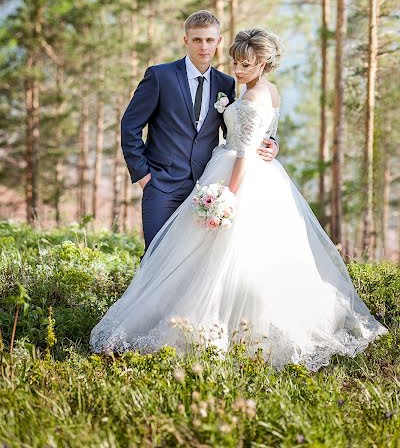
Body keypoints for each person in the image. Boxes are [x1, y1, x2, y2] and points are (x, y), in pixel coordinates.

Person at [90, 27, 388, 371]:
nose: (237, 69)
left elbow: (248, 146)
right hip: (225, 173)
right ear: (186, 39)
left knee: (226, 261)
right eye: (235, 61)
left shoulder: (249, 94)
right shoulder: (256, 89)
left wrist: (226, 196)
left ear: (262, 63)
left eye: (245, 64)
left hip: (235, 177)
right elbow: (263, 130)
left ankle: (223, 329)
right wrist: (271, 143)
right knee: (200, 257)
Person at [120, 10, 279, 253]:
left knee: (193, 264)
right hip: (162, 185)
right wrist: (144, 176)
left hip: (205, 188)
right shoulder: (160, 76)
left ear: (219, 41)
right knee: (156, 257)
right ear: (186, 40)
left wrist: (272, 143)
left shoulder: (226, 83)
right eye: (197, 39)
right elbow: (130, 126)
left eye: (209, 40)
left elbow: (240, 129)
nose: (203, 46)